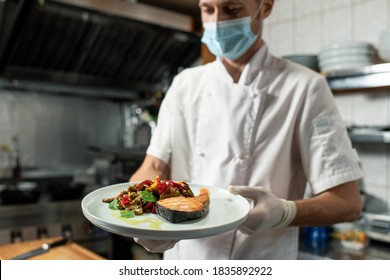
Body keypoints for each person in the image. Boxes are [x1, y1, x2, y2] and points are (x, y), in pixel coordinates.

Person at [129, 0, 363, 259]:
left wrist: (284, 213)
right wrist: (141, 215)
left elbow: (348, 203)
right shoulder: (184, 85)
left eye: (232, 9)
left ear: (266, 7)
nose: (217, 23)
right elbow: (154, 167)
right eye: (208, 9)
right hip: (186, 260)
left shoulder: (306, 88)